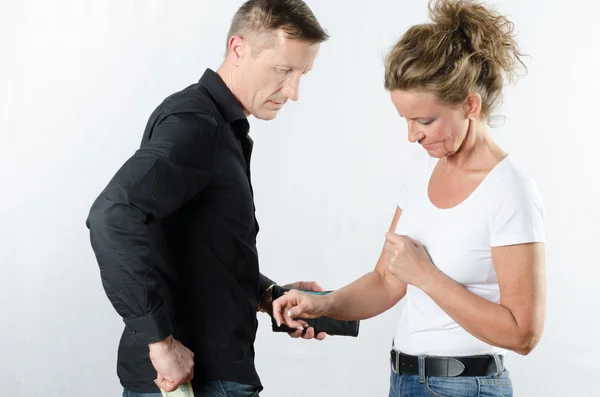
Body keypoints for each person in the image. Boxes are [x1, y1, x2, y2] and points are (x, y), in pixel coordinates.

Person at [272, 0, 546, 396]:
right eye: (405, 119)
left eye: (424, 120)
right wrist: (324, 303)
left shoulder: (510, 191)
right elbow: (386, 281)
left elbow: (524, 334)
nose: (412, 135)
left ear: (470, 105)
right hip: (404, 379)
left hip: (465, 386)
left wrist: (427, 277)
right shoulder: (423, 168)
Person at [85, 1, 329, 396]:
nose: (294, 91)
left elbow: (194, 248)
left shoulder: (219, 128)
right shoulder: (197, 124)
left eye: (303, 74)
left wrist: (266, 295)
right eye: (284, 70)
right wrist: (160, 342)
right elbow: (112, 215)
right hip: (192, 382)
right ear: (238, 49)